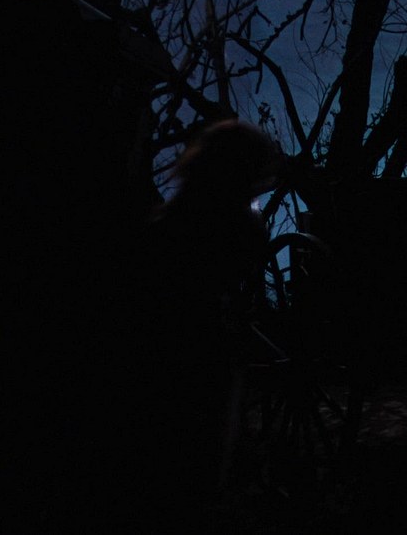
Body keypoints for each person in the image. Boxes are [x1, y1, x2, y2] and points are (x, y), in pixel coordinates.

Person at [104, 119, 285, 531]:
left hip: (169, 347)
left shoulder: (172, 219)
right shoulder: (233, 223)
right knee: (194, 460)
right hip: (195, 347)